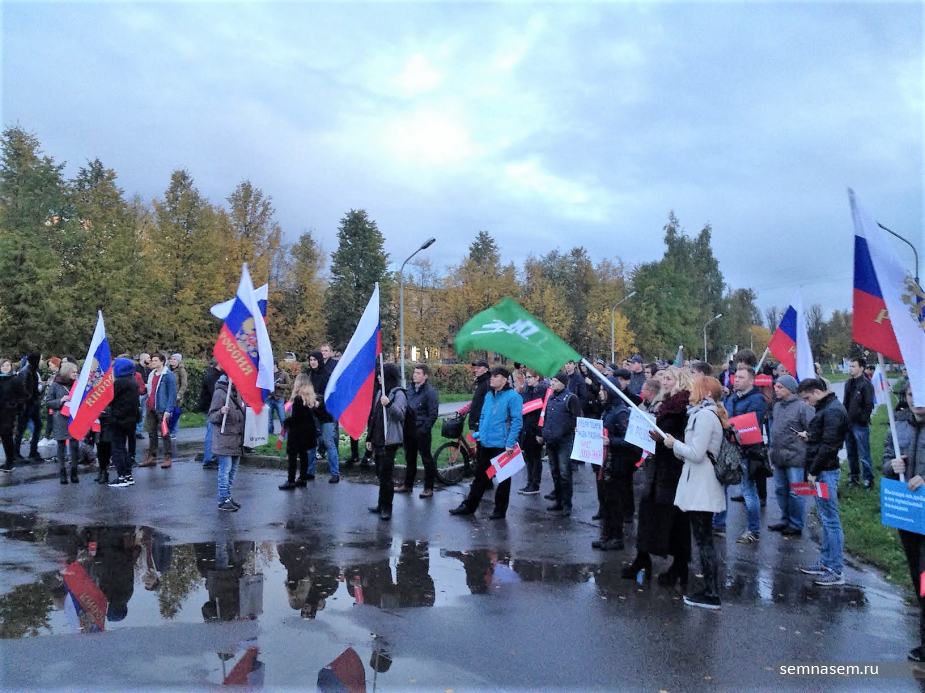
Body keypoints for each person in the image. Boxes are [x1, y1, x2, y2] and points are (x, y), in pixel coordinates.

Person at [625, 366, 693, 586]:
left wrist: (664, 439)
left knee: (674, 517)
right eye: (663, 378)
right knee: (648, 511)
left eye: (669, 378)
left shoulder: (685, 406)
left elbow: (685, 438)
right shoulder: (664, 404)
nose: (665, 381)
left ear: (680, 381)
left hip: (673, 470)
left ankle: (679, 564)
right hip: (657, 467)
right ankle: (642, 557)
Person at [665, 376, 727, 609]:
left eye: (696, 387)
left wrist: (674, 444)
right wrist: (678, 448)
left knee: (704, 540)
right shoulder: (703, 414)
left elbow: (697, 453)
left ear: (707, 393)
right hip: (699, 482)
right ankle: (709, 590)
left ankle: (711, 593)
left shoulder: (704, 416)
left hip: (702, 485)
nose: (692, 391)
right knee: (703, 539)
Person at [881, 384, 925, 661]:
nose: (916, 400)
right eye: (911, 394)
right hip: (909, 516)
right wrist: (892, 466)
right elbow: (886, 460)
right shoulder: (898, 429)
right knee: (918, 576)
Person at [449, 366, 522, 520]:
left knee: (503, 479)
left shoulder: (513, 397)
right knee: (480, 476)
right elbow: (483, 417)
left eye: (495, 376)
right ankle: (469, 506)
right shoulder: (489, 395)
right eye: (491, 376)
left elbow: (517, 421)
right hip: (486, 443)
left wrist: (510, 443)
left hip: (502, 445)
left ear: (504, 379)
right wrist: (480, 435)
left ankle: (499, 510)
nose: (491, 379)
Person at [796, 378, 849, 586]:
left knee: (830, 520)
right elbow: (824, 438)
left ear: (817, 392)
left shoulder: (833, 411)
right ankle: (826, 562)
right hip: (822, 469)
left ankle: (835, 569)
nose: (807, 403)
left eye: (807, 398)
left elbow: (829, 445)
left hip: (825, 471)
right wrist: (810, 436)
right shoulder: (826, 408)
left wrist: (813, 471)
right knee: (825, 519)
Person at [720, 366, 767, 544]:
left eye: (741, 377)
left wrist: (730, 425)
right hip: (730, 450)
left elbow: (751, 423)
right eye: (736, 377)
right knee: (722, 486)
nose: (736, 380)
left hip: (747, 451)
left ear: (751, 381)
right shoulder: (732, 397)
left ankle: (753, 530)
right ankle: (718, 524)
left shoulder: (757, 399)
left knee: (748, 491)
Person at [596, 386, 641, 551]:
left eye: (603, 390)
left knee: (615, 502)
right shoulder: (607, 410)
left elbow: (630, 440)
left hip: (618, 464)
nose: (600, 393)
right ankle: (606, 535)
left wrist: (611, 441)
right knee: (607, 501)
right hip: (607, 463)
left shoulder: (621, 412)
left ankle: (616, 537)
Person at [767, 374, 813, 536]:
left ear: (790, 389)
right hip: (778, 455)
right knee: (780, 490)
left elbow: (814, 429)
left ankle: (796, 523)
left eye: (780, 387)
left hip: (796, 456)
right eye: (776, 387)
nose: (776, 390)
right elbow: (774, 431)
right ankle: (785, 519)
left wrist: (807, 435)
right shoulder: (777, 406)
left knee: (796, 492)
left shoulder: (803, 407)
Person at [367, 363, 407, 521]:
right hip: (378, 438)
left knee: (386, 475)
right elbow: (374, 416)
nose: (378, 377)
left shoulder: (398, 394)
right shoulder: (380, 392)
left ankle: (387, 508)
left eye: (381, 375)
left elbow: (400, 415)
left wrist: (389, 404)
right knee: (380, 473)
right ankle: (380, 503)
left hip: (390, 440)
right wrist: (369, 437)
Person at [540, 371, 581, 517]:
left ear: (563, 383)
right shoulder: (551, 397)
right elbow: (547, 417)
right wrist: (544, 432)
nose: (552, 383)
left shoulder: (571, 398)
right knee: (555, 472)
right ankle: (558, 500)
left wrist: (565, 430)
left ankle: (566, 503)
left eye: (556, 381)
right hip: (551, 440)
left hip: (564, 441)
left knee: (565, 473)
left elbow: (576, 418)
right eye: (552, 380)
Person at [396, 364, 439, 498]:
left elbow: (433, 414)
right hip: (408, 430)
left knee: (426, 459)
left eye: (418, 373)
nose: (415, 375)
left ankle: (428, 487)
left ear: (425, 376)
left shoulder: (430, 392)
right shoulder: (409, 390)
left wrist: (424, 429)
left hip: (422, 431)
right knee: (410, 458)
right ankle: (408, 485)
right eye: (414, 372)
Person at [208, 374, 245, 512]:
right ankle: (222, 499)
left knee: (232, 471)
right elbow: (212, 417)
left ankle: (227, 496)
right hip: (225, 438)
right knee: (225, 471)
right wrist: (220, 412)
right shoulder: (220, 393)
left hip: (236, 438)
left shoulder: (238, 392)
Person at [279, 374, 318, 490]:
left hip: (297, 433)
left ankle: (291, 480)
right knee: (303, 455)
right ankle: (302, 478)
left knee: (292, 456)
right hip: (307, 432)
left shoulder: (298, 399)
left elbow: (296, 418)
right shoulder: (310, 398)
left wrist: (286, 422)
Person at [1, 354, 40, 471]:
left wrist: (14, 404)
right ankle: (9, 459)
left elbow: (24, 395)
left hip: (9, 412)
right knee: (4, 436)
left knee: (7, 435)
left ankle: (10, 461)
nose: (5, 368)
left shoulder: (14, 379)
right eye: (3, 366)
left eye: (7, 365)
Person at [107, 358, 141, 488]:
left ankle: (122, 476)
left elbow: (109, 399)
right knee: (123, 448)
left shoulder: (120, 382)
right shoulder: (133, 380)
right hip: (130, 419)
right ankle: (128, 475)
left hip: (118, 419)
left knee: (118, 448)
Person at [45, 361, 81, 483]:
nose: (76, 374)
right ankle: (63, 473)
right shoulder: (55, 385)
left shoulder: (78, 385)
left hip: (74, 419)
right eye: (73, 372)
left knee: (74, 446)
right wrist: (61, 401)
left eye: (76, 372)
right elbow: (48, 402)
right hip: (60, 419)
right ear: (66, 372)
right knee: (61, 446)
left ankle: (74, 472)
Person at [139, 353, 177, 469]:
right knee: (151, 433)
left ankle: (167, 457)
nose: (153, 362)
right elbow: (150, 390)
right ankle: (152, 457)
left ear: (162, 361)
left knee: (164, 433)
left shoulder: (168, 375)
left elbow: (172, 394)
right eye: (152, 360)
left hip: (162, 408)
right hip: (151, 407)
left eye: (155, 360)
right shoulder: (152, 374)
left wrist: (168, 410)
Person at [307, 351, 339, 482]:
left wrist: (319, 401)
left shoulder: (327, 375)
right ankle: (309, 472)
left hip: (326, 414)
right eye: (310, 360)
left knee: (328, 442)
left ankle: (335, 473)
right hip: (311, 413)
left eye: (315, 359)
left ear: (319, 360)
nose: (312, 362)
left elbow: (331, 395)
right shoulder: (309, 375)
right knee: (311, 444)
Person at [843, 356, 875, 489]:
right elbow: (845, 402)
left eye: (853, 366)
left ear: (861, 368)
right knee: (851, 452)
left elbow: (869, 404)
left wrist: (862, 419)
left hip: (860, 424)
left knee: (864, 453)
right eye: (850, 366)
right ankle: (854, 476)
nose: (850, 368)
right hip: (848, 423)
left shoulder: (866, 384)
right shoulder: (848, 383)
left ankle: (868, 478)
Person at [518, 369, 548, 496]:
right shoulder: (526, 391)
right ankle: (529, 482)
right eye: (526, 377)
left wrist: (540, 433)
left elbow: (543, 414)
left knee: (535, 458)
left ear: (537, 378)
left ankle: (535, 484)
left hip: (536, 430)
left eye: (529, 377)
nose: (527, 379)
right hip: (526, 428)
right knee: (528, 458)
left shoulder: (544, 392)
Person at [197, 359, 222, 470]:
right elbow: (216, 393)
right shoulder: (212, 376)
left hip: (213, 407)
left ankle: (212, 457)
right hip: (211, 408)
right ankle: (208, 459)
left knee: (214, 433)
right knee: (211, 433)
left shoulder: (215, 374)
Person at [267, 361, 291, 435]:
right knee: (269, 419)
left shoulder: (284, 374)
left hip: (279, 398)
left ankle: (285, 435)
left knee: (282, 418)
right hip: (269, 398)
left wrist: (279, 385)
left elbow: (289, 385)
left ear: (275, 365)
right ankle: (270, 435)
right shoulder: (268, 373)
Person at [167, 354, 187, 437]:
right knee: (167, 413)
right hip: (167, 394)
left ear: (178, 361)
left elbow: (184, 384)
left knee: (175, 413)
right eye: (171, 359)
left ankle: (173, 432)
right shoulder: (167, 369)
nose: (172, 360)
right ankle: (166, 431)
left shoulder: (181, 370)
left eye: (174, 359)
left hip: (176, 395)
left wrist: (179, 394)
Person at [135, 353, 151, 440]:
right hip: (137, 393)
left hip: (146, 393)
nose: (150, 359)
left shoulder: (149, 370)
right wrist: (143, 385)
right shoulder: (135, 368)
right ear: (143, 358)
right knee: (136, 412)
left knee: (143, 413)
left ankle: (138, 431)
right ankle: (132, 430)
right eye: (148, 357)